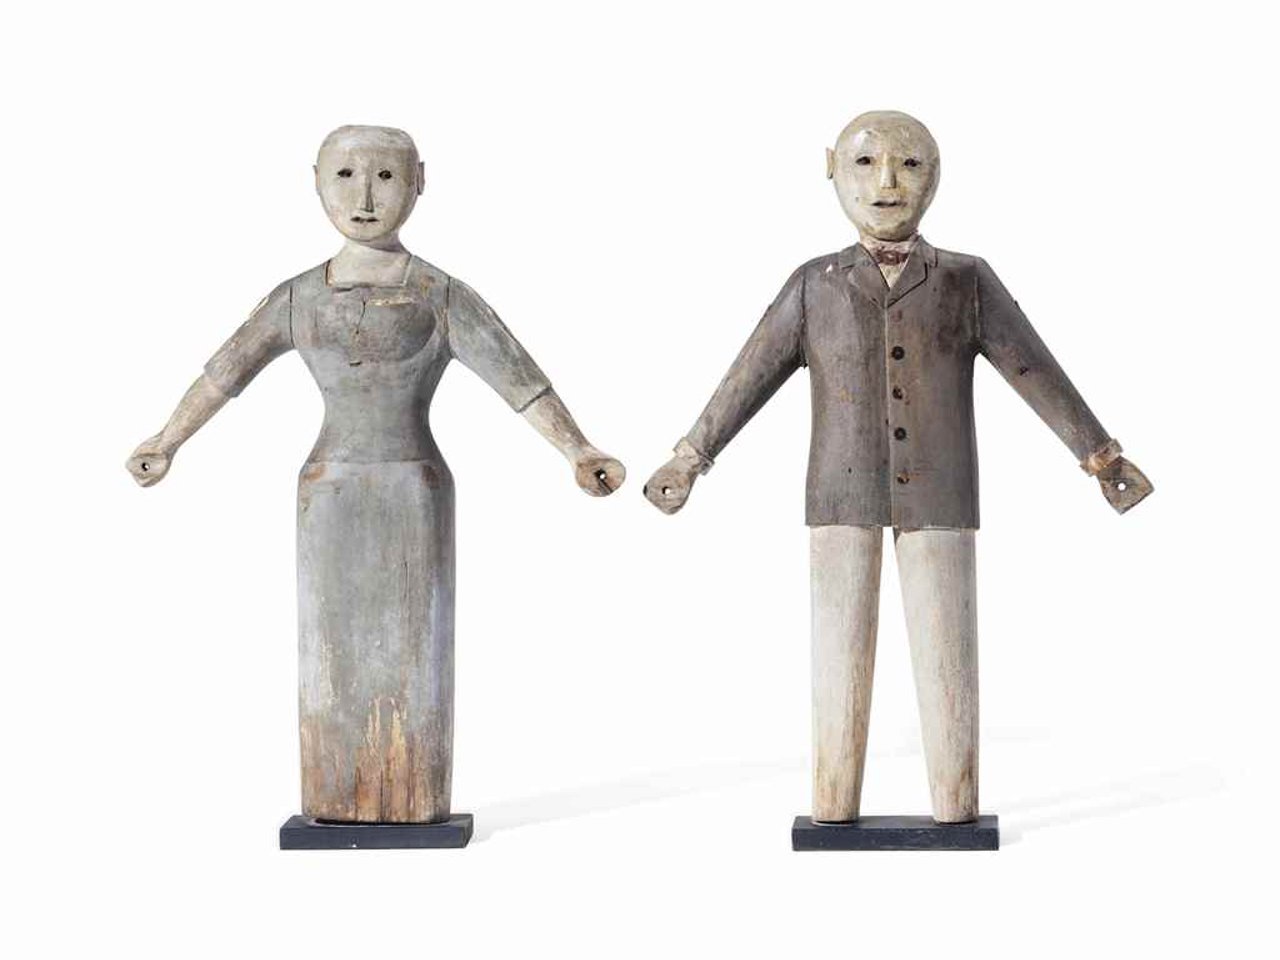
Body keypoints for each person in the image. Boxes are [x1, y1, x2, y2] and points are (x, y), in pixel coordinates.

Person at [643, 110, 1151, 826]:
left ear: (937, 175)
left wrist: (1099, 455)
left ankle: (956, 807)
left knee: (949, 660)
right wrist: (691, 456)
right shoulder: (813, 283)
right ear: (831, 169)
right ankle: (833, 806)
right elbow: (750, 373)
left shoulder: (967, 280)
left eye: (910, 164)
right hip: (838, 493)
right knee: (837, 661)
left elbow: (1033, 367)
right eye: (865, 162)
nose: (887, 182)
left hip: (942, 489)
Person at [127, 125, 624, 824]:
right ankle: (336, 796)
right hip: (326, 491)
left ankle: (412, 797)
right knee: (328, 657)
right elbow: (223, 375)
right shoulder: (297, 296)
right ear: (315, 181)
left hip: (413, 489)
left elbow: (520, 381)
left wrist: (577, 449)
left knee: (413, 657)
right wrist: (168, 438)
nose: (364, 197)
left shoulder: (440, 295)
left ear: (420, 181)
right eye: (346, 175)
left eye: (386, 177)